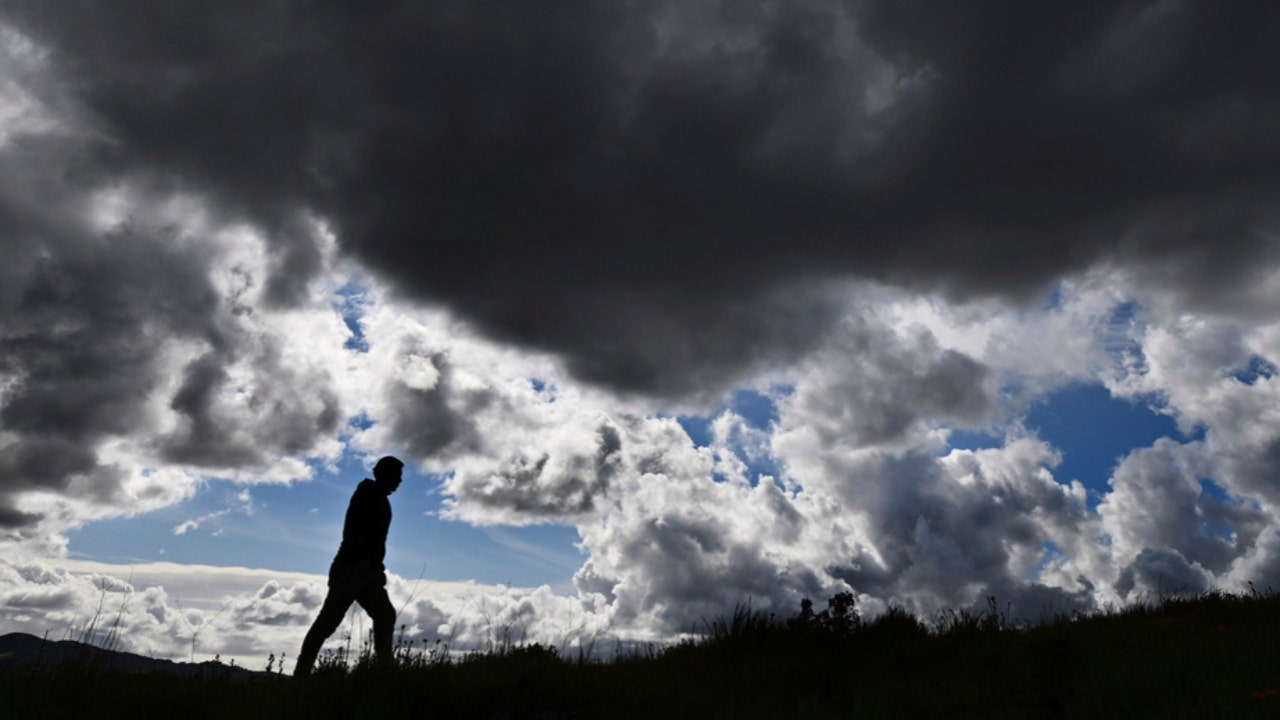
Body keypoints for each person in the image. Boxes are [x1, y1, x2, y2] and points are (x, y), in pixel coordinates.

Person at [294, 456, 404, 676]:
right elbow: (356, 530)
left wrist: (375, 567)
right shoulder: (368, 495)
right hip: (352, 569)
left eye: (400, 477)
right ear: (383, 474)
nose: (399, 481)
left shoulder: (375, 496)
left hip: (365, 571)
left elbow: (372, 537)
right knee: (327, 623)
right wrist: (364, 561)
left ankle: (384, 669)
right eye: (396, 476)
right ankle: (302, 672)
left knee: (384, 615)